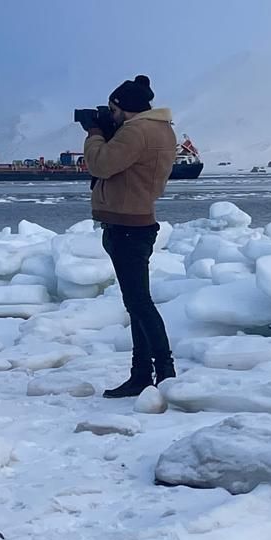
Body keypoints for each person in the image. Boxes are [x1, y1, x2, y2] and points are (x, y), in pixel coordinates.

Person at [83, 74, 176, 398]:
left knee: (139, 303)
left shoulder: (138, 131)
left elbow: (100, 164)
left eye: (112, 110)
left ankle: (165, 372)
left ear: (124, 108)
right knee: (136, 304)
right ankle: (142, 374)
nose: (110, 116)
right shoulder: (159, 128)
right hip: (134, 222)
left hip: (128, 227)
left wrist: (95, 134)